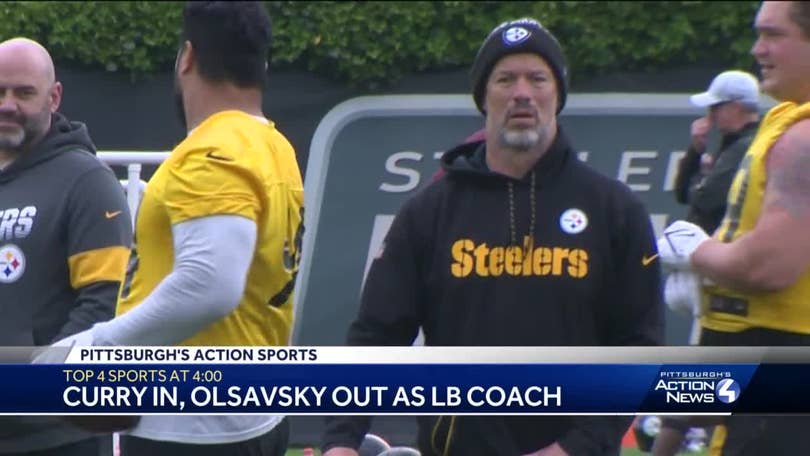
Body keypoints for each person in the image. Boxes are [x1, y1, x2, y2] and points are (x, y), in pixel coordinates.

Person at [322, 18, 663, 456]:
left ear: (557, 95)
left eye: (537, 78)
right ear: (484, 97)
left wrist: (576, 447)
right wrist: (341, 441)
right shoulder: (430, 211)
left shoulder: (615, 210)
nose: (522, 92)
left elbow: (638, 348)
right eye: (505, 79)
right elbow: (375, 337)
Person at [47, 2, 304, 455]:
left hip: (195, 426)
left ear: (187, 57)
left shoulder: (211, 151)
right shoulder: (272, 143)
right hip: (250, 411)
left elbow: (209, 286)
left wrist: (92, 348)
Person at [655, 1, 810, 454]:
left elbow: (767, 267)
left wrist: (695, 252)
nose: (757, 48)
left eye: (773, 35)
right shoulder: (785, 119)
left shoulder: (801, 137)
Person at [0, 38, 132, 454]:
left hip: (54, 436)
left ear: (54, 97)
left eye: (24, 92)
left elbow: (104, 308)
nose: (8, 104)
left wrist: (32, 389)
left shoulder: (86, 181)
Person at [674, 70, 761, 235]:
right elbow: (682, 194)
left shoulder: (745, 146)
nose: (710, 114)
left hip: (728, 249)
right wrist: (696, 150)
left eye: (715, 107)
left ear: (736, 107)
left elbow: (704, 200)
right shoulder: (733, 143)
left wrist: (703, 178)